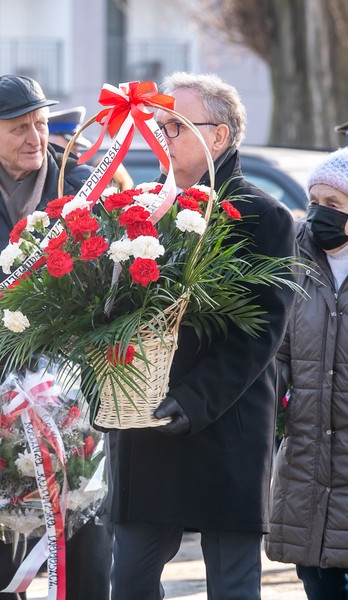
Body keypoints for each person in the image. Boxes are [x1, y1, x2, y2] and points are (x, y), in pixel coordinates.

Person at [107, 72, 297, 600]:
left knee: (233, 586)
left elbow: (260, 335)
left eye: (176, 125)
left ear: (218, 136)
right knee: (129, 582)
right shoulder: (149, 209)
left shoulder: (265, 215)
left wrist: (190, 403)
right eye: (161, 125)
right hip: (145, 425)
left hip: (223, 425)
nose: (162, 137)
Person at [0, 74, 113, 600]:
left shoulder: (83, 185)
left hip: (72, 397)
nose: (35, 138)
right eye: (19, 127)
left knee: (83, 534)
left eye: (41, 124)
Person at [265, 147, 348, 599]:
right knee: (316, 581)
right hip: (306, 466)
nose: (319, 213)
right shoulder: (293, 259)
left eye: (333, 205)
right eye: (314, 200)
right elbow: (275, 355)